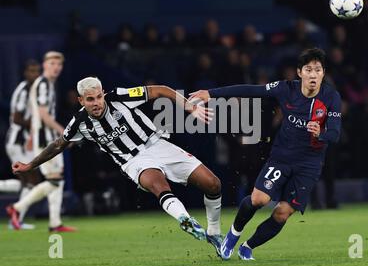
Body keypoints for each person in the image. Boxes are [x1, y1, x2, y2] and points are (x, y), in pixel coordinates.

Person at [11, 76, 224, 256]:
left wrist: (189, 107)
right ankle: (185, 220)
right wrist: (30, 165)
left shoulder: (120, 97)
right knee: (158, 184)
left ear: (103, 93)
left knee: (213, 184)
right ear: (81, 100)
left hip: (158, 145)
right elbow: (58, 145)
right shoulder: (79, 123)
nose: (96, 103)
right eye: (89, 99)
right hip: (133, 161)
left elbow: (160, 90)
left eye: (98, 97)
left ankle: (213, 232)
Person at [189, 48, 342, 260]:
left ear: (323, 73)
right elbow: (250, 90)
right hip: (282, 157)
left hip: (309, 164)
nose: (313, 74)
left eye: (318, 70)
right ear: (299, 73)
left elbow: (335, 133)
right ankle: (232, 236)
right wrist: (210, 94)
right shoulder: (285, 89)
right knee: (259, 199)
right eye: (309, 69)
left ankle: (247, 246)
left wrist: (322, 133)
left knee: (283, 212)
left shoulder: (331, 97)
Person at [6, 51, 76, 232]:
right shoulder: (43, 84)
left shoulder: (46, 84)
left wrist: (31, 137)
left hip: (44, 137)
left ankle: (55, 223)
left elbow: (36, 115)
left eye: (59, 64)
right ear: (45, 65)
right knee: (52, 181)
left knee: (56, 180)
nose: (56, 68)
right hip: (47, 139)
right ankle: (17, 208)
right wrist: (66, 133)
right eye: (52, 63)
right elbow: (44, 115)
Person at [0, 60, 42, 229]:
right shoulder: (24, 90)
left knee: (31, 182)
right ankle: (15, 221)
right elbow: (17, 118)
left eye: (37, 71)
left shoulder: (34, 90)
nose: (35, 74)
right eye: (31, 71)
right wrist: (34, 125)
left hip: (23, 143)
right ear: (25, 73)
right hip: (17, 142)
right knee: (30, 180)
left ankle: (16, 220)